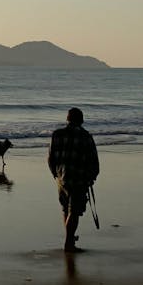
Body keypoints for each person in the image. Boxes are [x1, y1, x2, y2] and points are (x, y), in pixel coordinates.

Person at [48, 107, 99, 252]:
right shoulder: (86, 136)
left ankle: (70, 239)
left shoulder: (57, 134)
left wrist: (54, 174)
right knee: (74, 211)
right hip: (79, 178)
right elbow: (93, 160)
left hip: (61, 178)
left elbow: (50, 157)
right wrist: (92, 176)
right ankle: (69, 243)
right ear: (81, 120)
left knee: (66, 209)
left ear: (67, 119)